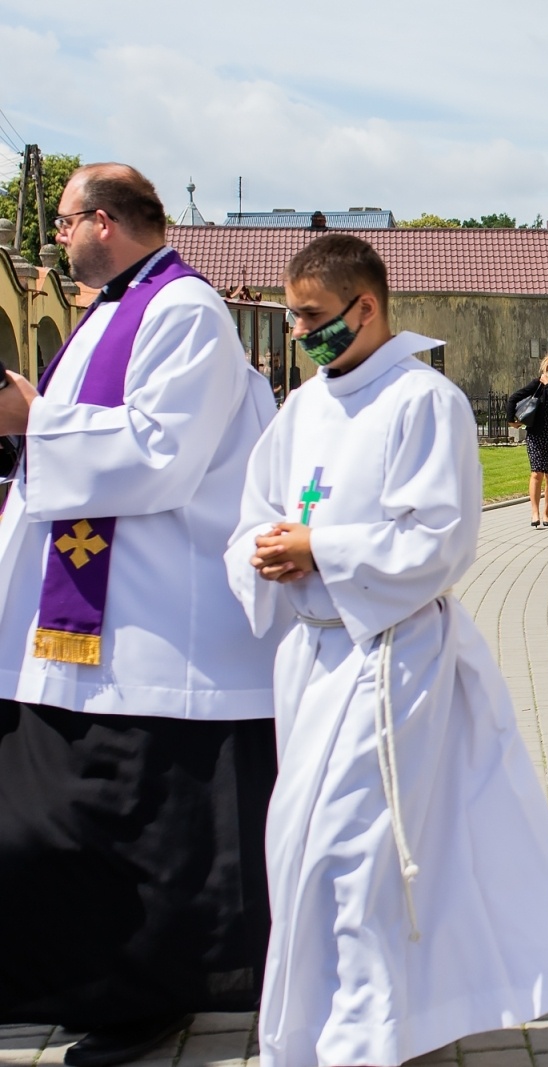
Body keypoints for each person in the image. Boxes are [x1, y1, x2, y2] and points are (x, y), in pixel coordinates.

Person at [225, 233, 548, 1067]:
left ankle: (365, 1038)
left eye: (311, 318)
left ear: (367, 306)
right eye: (291, 318)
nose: (298, 334)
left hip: (391, 657)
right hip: (312, 659)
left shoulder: (424, 401)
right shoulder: (305, 404)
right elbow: (255, 507)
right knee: (299, 851)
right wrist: (261, 547)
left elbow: (442, 540)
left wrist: (322, 548)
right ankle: (323, 1030)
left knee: (356, 855)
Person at [0, 163, 280, 1066]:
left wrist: (31, 419)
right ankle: (85, 984)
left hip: (155, 622)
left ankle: (146, 997)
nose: (56, 238)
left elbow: (162, 452)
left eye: (64, 220)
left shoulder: (181, 310)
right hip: (93, 618)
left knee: (141, 821)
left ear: (108, 221)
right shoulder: (113, 311)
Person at [508, 352, 548, 527]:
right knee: (537, 473)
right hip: (536, 434)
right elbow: (513, 398)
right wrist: (511, 420)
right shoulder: (536, 384)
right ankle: (534, 512)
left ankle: (547, 513)